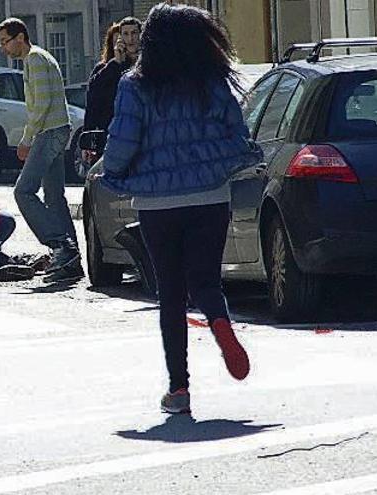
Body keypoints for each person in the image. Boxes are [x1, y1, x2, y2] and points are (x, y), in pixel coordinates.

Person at [101, 4, 262, 414]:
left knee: (170, 294)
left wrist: (113, 176)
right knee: (207, 281)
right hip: (211, 195)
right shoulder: (211, 80)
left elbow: (123, 142)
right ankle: (221, 323)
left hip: (158, 202)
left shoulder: (134, 85)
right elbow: (235, 131)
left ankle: (179, 389)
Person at [0, 17, 83, 283]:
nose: (3, 48)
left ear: (19, 37)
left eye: (5, 41)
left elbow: (41, 105)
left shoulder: (34, 59)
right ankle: (71, 259)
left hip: (49, 132)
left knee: (23, 191)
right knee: (54, 196)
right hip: (58, 130)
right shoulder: (39, 57)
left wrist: (26, 139)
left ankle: (60, 245)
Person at [83, 17, 141, 163]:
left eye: (134, 33)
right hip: (114, 138)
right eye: (126, 34)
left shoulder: (149, 63)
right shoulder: (109, 67)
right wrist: (116, 63)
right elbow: (93, 99)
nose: (130, 39)